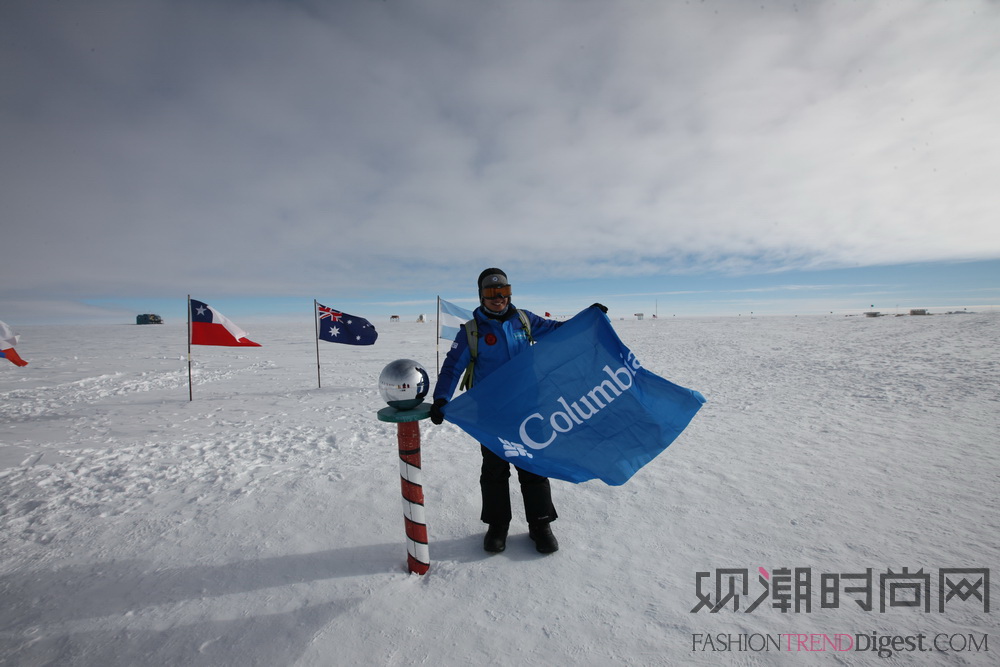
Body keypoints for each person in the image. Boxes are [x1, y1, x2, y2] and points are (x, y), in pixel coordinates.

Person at [429, 268, 606, 555]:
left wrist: (589, 317)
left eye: (504, 292)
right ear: (481, 296)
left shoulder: (524, 320)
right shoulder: (471, 331)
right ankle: (498, 525)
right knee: (495, 470)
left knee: (533, 465)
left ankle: (540, 524)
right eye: (491, 293)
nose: (498, 298)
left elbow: (560, 331)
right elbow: (452, 367)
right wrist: (440, 399)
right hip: (491, 413)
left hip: (528, 409)